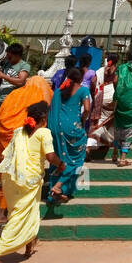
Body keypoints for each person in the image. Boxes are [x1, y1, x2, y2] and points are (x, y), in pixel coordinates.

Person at [0, 101, 63, 263]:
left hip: (10, 178)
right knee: (20, 215)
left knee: (28, 211)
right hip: (28, 180)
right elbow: (50, 157)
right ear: (43, 117)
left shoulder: (19, 131)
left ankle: (29, 246)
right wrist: (61, 164)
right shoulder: (44, 132)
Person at [0, 73, 54, 236]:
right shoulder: (42, 95)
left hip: (2, 138)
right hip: (21, 140)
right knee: (21, 181)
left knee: (6, 176)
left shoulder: (14, 94)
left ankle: (2, 214)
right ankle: (13, 219)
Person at [46, 68, 91, 204]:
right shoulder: (83, 90)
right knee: (78, 158)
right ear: (81, 79)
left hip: (56, 127)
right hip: (73, 127)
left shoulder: (59, 91)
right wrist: (83, 120)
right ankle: (59, 186)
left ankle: (56, 193)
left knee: (59, 157)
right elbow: (87, 109)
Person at [0, 42, 30, 133]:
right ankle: (3, 137)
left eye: (10, 56)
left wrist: (3, 76)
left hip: (11, 100)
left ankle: (5, 139)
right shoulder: (6, 64)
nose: (8, 58)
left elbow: (21, 82)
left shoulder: (24, 66)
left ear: (17, 55)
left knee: (3, 124)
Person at [87, 54, 119, 153]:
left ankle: (88, 146)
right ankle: (105, 142)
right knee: (109, 124)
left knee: (98, 123)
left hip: (100, 99)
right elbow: (117, 82)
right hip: (112, 100)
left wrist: (94, 95)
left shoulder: (100, 71)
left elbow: (93, 82)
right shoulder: (118, 71)